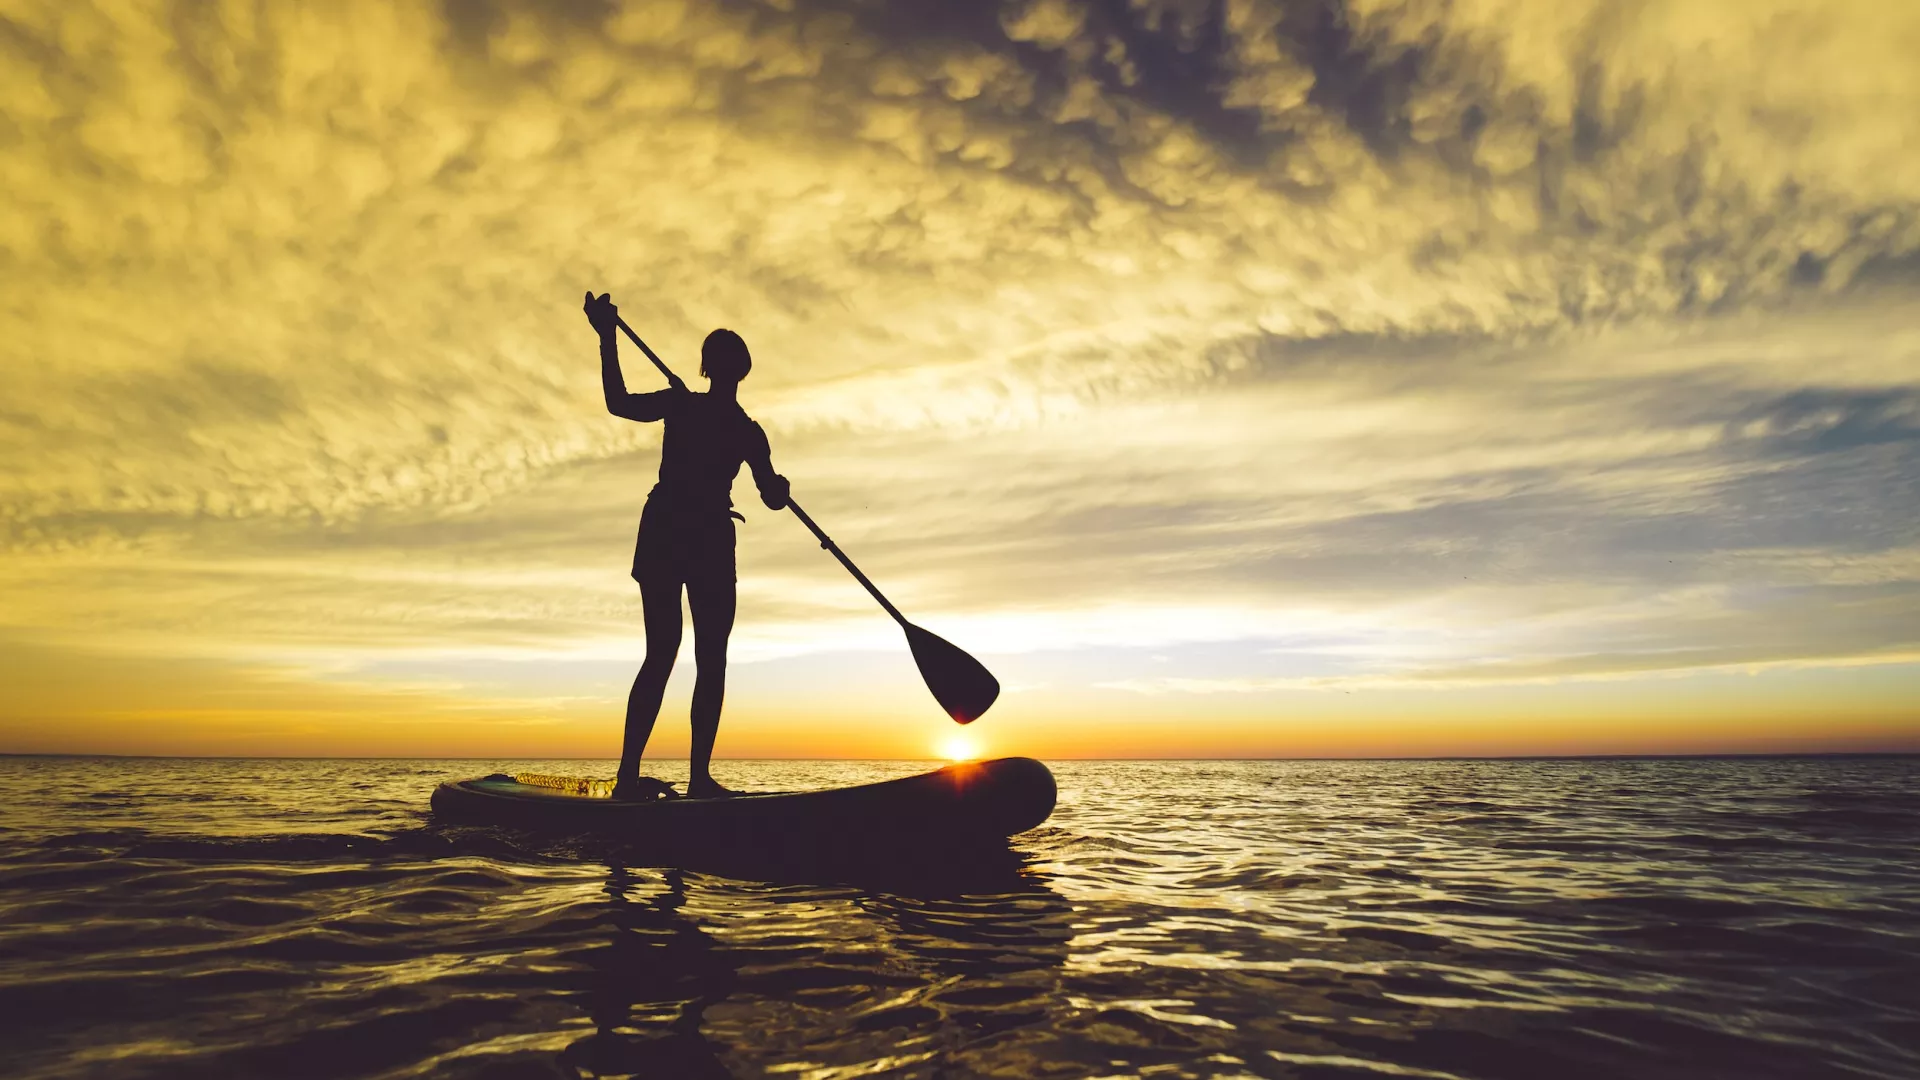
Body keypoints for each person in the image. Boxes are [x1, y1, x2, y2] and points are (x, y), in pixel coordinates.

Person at [584, 292, 789, 800]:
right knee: (669, 653)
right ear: (717, 368)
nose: (722, 367)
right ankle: (630, 778)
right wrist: (607, 338)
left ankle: (692, 779)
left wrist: (779, 488)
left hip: (705, 538)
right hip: (673, 531)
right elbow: (619, 404)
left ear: (736, 369)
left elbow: (770, 495)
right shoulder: (691, 409)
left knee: (703, 657)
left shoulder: (745, 432)